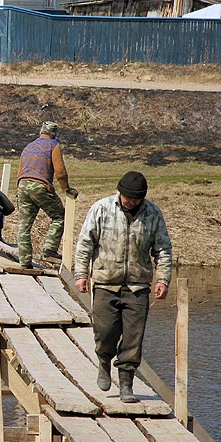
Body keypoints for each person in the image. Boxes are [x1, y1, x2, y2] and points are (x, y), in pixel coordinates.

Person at [74, 171, 172, 403]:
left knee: (133, 339)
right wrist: (81, 274)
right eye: (128, 198)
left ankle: (126, 384)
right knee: (105, 332)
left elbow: (163, 249)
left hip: (138, 286)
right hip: (106, 282)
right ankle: (104, 362)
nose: (131, 202)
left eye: (136, 199)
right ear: (119, 193)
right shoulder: (101, 209)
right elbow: (85, 243)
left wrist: (162, 279)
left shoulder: (153, 214)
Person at [16, 121, 78, 268]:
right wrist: (66, 188)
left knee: (23, 226)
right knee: (59, 216)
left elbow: (19, 171)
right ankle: (50, 249)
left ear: (40, 132)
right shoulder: (53, 144)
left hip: (22, 185)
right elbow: (60, 171)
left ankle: (24, 263)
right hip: (39, 185)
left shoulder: (28, 147)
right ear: (55, 134)